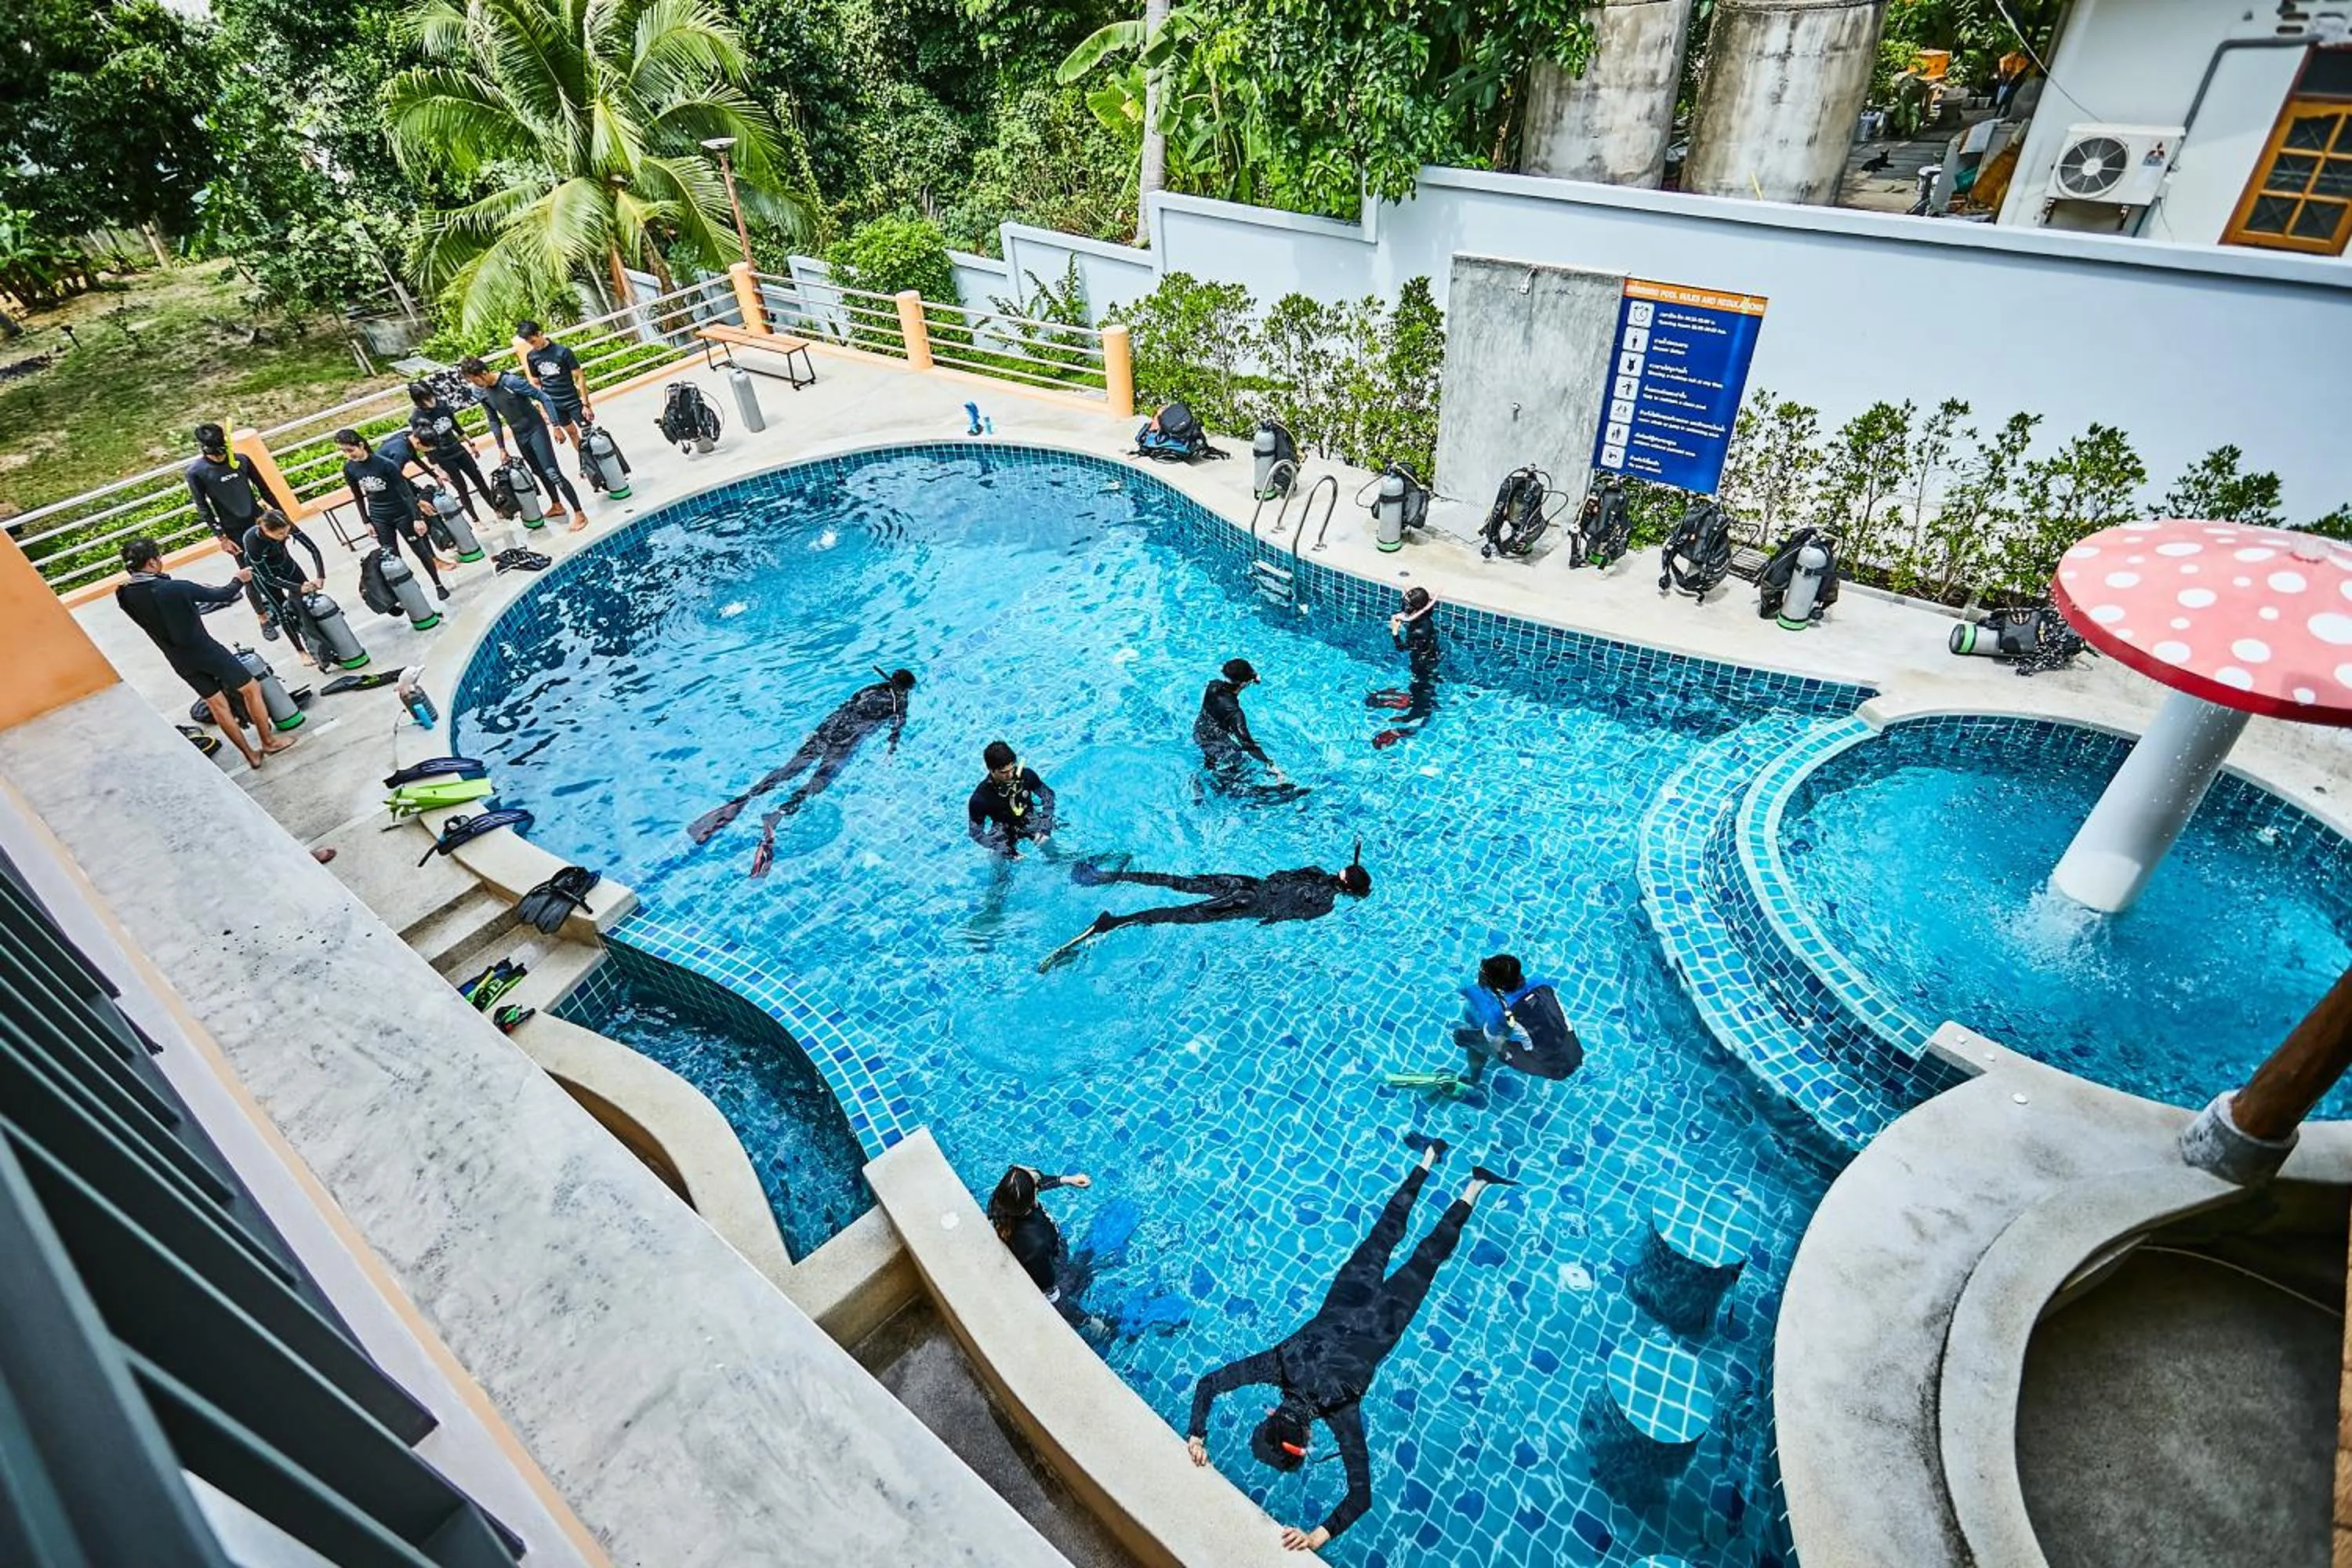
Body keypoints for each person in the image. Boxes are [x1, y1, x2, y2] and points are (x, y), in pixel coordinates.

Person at [1186, 1138, 1514, 1552]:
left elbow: (1361, 1499)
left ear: (1306, 1439)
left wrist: (1315, 1536)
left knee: (1427, 1257)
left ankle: (1475, 1186)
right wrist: (1197, 1433)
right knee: (1385, 1233)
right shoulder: (1278, 1364)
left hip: (1387, 1318)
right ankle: (1429, 1158)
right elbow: (1209, 1383)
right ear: (1270, 1415)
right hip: (1350, 1292)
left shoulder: (1343, 1412)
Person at [685, 669, 917, 877]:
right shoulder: (900, 702)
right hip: (845, 741)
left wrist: (817, 732)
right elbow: (896, 730)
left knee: (789, 769)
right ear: (906, 687)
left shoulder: (868, 689)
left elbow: (842, 709)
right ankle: (778, 814)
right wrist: (890, 752)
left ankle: (743, 799)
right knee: (819, 783)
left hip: (826, 732)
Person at [113, 538, 294, 770]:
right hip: (206, 650)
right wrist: (239, 579)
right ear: (151, 563)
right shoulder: (176, 588)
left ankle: (250, 755)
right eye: (158, 558)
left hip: (179, 660)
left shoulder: (124, 595)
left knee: (217, 706)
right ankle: (268, 742)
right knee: (251, 689)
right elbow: (223, 595)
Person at [1038, 845, 1370, 971]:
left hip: (1243, 883)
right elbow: (1284, 913)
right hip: (1247, 904)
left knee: (1177, 881)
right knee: (1175, 915)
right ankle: (1110, 924)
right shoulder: (1325, 905)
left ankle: (1107, 876)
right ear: (1349, 892)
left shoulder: (1313, 870)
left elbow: (1279, 877)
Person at [460, 354, 586, 529]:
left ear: (483, 373)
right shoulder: (480, 391)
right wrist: (502, 448)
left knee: (552, 472)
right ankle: (557, 505)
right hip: (519, 434)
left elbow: (544, 397)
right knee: (538, 471)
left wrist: (556, 426)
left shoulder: (511, 382)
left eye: (475, 380)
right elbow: (493, 420)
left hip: (536, 429)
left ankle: (579, 513)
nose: (474, 385)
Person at [183, 423, 288, 635]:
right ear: (204, 450)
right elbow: (203, 507)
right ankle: (263, 618)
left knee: (279, 563)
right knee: (250, 574)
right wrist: (221, 537)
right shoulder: (197, 472)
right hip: (234, 531)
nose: (219, 457)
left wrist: (282, 518)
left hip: (260, 523)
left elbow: (264, 490)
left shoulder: (241, 460)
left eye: (222, 452)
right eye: (214, 454)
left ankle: (287, 606)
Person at [336, 429, 448, 599]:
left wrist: (417, 518)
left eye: (350, 450)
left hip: (402, 513)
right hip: (379, 516)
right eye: (343, 451)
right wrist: (366, 521)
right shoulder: (349, 469)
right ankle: (410, 590)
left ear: (360, 445)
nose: (348, 455)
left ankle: (438, 584)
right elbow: (358, 497)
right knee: (392, 557)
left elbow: (406, 493)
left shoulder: (386, 464)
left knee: (420, 550)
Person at [1449, 953, 1584, 1089]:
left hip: (1551, 1068)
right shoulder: (1540, 981)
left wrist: (1469, 991)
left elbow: (1493, 1041)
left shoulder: (1498, 1013)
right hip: (1574, 1051)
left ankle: (1473, 1081)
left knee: (1466, 1037)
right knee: (1514, 1030)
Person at [238, 509, 329, 668]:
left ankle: (320, 637)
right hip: (265, 575)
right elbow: (268, 578)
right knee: (283, 611)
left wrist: (320, 576)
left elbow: (313, 549)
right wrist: (297, 587)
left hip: (286, 564)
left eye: (287, 532)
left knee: (309, 600)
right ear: (266, 530)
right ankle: (301, 651)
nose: (285, 537)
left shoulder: (284, 525)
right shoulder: (252, 540)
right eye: (281, 535)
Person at [986, 1164, 1094, 1298]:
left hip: (1045, 1251)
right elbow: (1048, 1286)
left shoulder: (1000, 1200)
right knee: (1087, 1270)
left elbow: (1032, 1182)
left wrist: (1067, 1180)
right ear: (1034, 1198)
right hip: (1052, 1263)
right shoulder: (1036, 1243)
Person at [516, 321, 596, 485]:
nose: (533, 345)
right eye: (529, 343)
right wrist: (544, 410)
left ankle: (599, 458)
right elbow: (537, 385)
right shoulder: (532, 357)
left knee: (588, 433)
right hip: (554, 404)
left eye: (533, 341)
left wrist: (586, 404)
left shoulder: (563, 352)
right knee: (572, 433)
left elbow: (579, 376)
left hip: (572, 400)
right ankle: (586, 463)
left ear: (540, 333)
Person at [1194, 658, 1290, 788]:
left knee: (1212, 762)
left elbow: (1228, 683)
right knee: (1239, 769)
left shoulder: (1212, 686)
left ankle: (1202, 780)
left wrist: (1251, 678)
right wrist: (1271, 765)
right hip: (1218, 744)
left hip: (1199, 731)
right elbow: (1247, 744)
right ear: (1244, 683)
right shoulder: (1235, 714)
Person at [407, 382, 492, 521]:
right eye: (426, 400)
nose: (431, 402)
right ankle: (476, 519)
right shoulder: (417, 418)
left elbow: (455, 425)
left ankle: (496, 508)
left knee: (479, 480)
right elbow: (424, 447)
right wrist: (437, 468)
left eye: (431, 397)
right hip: (442, 456)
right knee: (462, 488)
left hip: (457, 448)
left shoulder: (442, 405)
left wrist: (470, 442)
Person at [1367, 587, 1440, 749]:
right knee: (1419, 689)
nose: (1404, 607)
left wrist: (1395, 631)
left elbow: (1402, 647)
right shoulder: (1423, 616)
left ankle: (1402, 730)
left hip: (1424, 666)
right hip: (1426, 659)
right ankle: (1409, 700)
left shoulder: (1420, 630)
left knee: (1423, 705)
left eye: (1407, 604)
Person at [968, 740, 1057, 858]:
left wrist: (1046, 827)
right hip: (1002, 828)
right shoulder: (980, 799)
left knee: (1050, 848)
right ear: (990, 769)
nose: (1010, 775)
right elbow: (976, 833)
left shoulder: (1026, 776)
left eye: (1012, 769)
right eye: (1003, 772)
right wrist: (1005, 850)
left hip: (1029, 817)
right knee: (998, 865)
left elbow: (1048, 796)